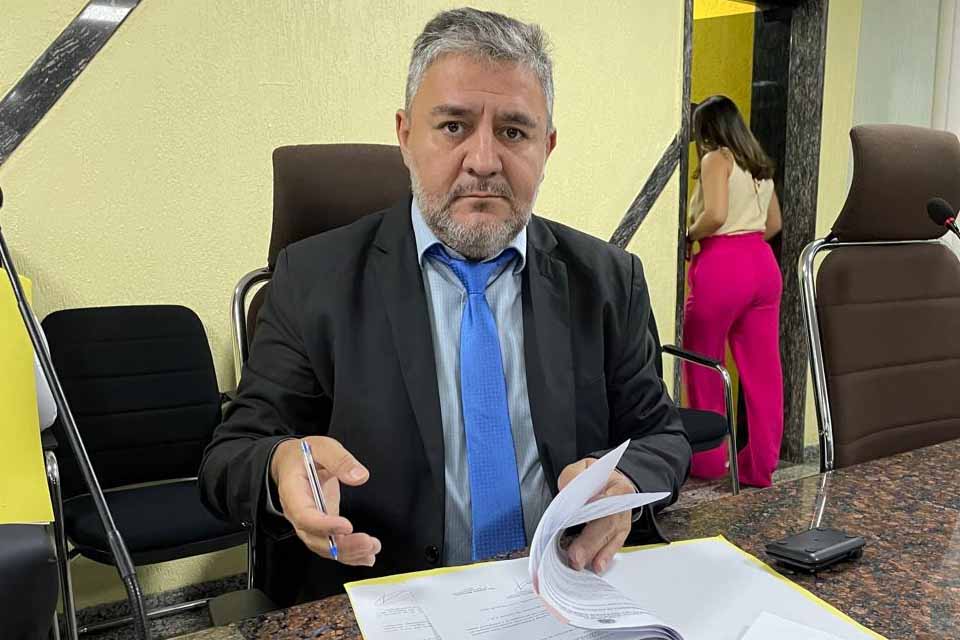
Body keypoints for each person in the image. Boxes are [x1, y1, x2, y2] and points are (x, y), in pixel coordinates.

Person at [199, 7, 690, 606]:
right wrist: (282, 464)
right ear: (406, 136)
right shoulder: (312, 279)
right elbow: (231, 455)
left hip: (562, 593)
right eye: (454, 126)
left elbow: (661, 436)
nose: (483, 160)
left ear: (547, 147)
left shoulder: (609, 280)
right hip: (390, 598)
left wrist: (625, 482)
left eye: (514, 132)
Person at [682, 95, 784, 488]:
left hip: (724, 265)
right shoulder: (758, 165)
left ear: (707, 128)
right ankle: (761, 464)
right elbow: (773, 224)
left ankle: (708, 460)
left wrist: (689, 234)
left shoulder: (716, 159)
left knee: (702, 360)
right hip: (763, 264)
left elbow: (716, 214)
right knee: (764, 372)